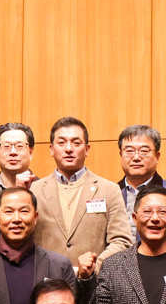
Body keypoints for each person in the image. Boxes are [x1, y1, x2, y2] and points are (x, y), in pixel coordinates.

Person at [30, 116, 135, 277]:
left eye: (76, 143)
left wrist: (93, 267)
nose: (68, 149)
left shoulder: (109, 190)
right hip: (46, 281)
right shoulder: (34, 190)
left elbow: (121, 241)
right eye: (61, 142)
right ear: (51, 149)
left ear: (87, 149)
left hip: (94, 283)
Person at [0, 121, 38, 197]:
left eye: (19, 146)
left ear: (30, 153)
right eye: (6, 146)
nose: (13, 152)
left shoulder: (44, 191)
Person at [114, 124, 165, 214]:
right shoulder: (110, 192)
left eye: (144, 151)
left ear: (157, 156)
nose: (136, 157)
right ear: (121, 155)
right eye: (129, 151)